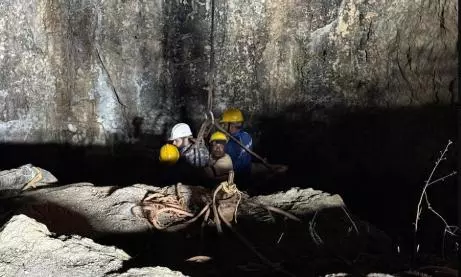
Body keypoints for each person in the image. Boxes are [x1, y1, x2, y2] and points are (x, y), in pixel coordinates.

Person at [219, 108, 253, 178]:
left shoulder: (231, 143)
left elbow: (226, 166)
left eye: (225, 124)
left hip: (235, 180)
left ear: (232, 125)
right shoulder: (247, 135)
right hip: (247, 174)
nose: (223, 127)